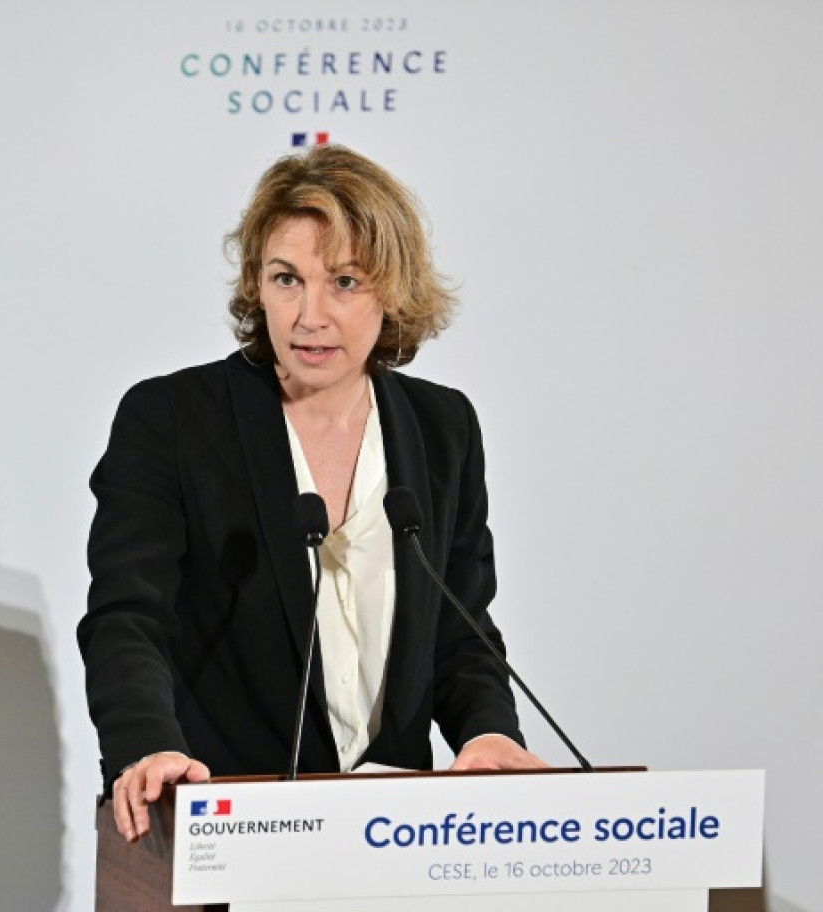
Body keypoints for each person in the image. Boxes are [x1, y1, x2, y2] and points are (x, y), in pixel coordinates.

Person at [77, 144, 546, 842]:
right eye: (286, 279)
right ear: (256, 286)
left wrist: (487, 734)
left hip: (391, 836)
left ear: (392, 290)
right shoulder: (174, 420)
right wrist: (148, 747)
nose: (309, 315)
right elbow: (129, 618)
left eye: (346, 282)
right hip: (226, 822)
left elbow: (461, 630)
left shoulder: (443, 428)